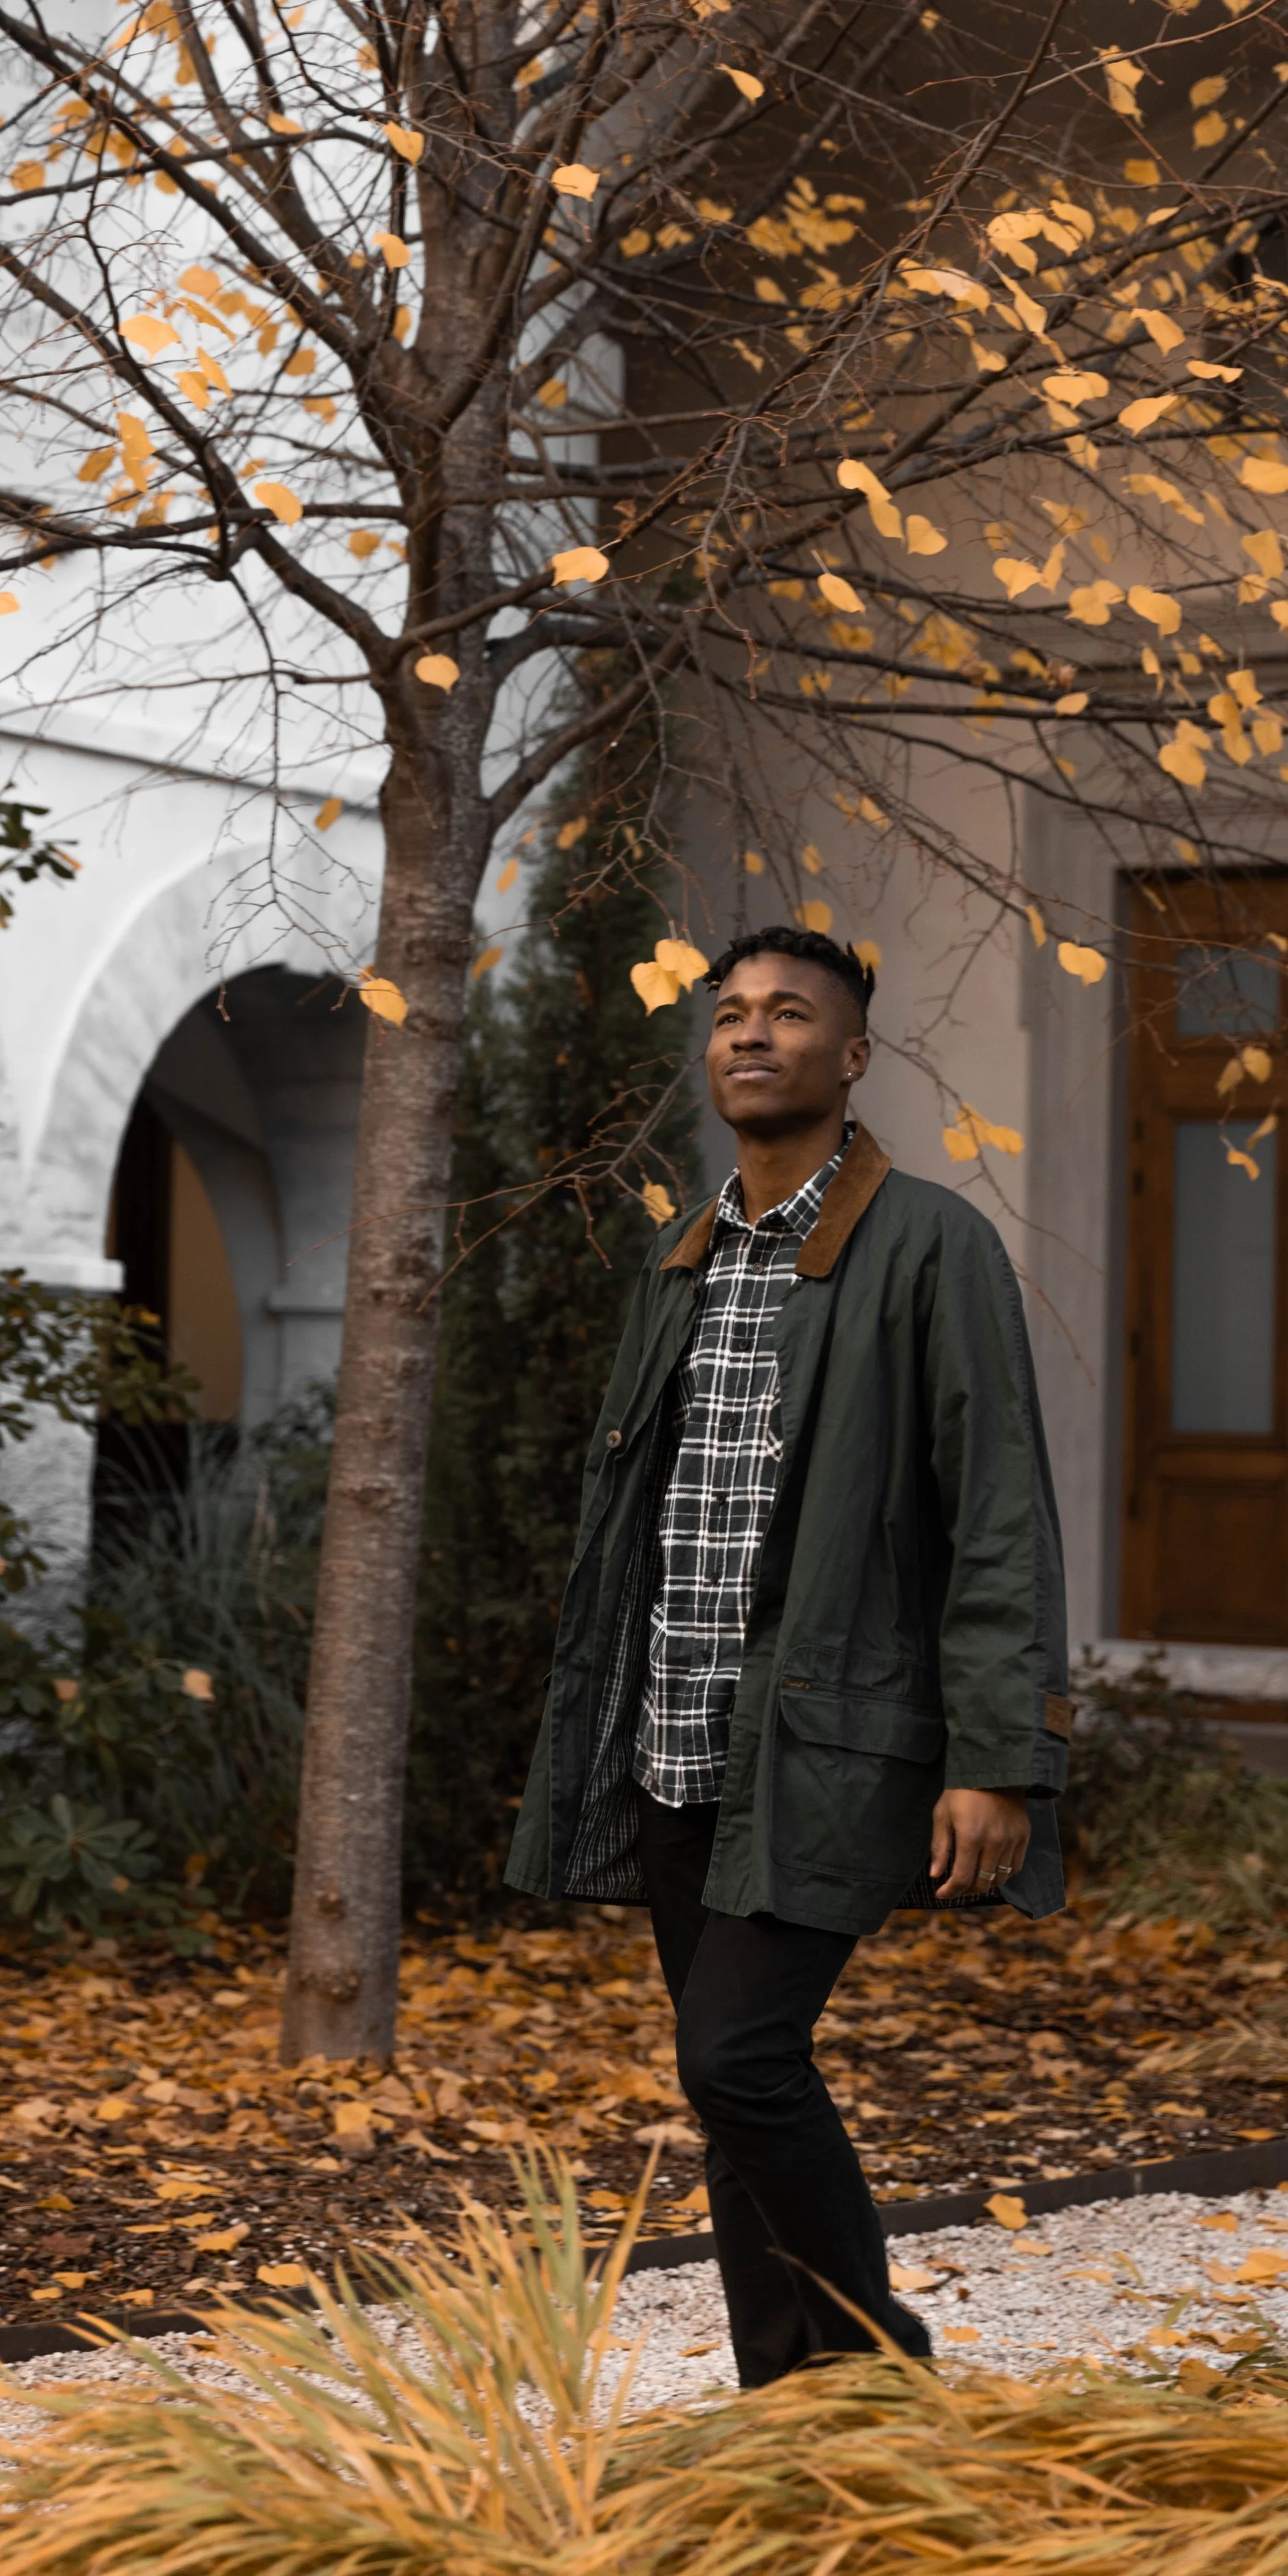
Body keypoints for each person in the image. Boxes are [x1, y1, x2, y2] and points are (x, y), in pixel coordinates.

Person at [505, 923, 1070, 2386]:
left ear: (852, 1054)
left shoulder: (929, 1245)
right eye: (729, 1016)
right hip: (675, 1743)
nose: (749, 1035)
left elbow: (996, 1511)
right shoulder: (678, 1257)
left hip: (825, 1744)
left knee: (736, 2060)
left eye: (787, 1015)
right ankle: (791, 2406)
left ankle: (880, 2373)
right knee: (732, 2095)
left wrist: (996, 1759)